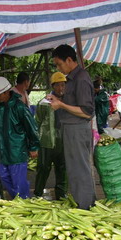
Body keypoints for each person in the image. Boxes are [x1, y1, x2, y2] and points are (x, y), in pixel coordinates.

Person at [46, 45, 96, 209]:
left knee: (80, 169)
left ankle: (85, 207)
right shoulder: (72, 78)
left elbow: (87, 112)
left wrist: (60, 105)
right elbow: (74, 103)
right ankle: (82, 203)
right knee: (75, 170)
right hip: (70, 129)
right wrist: (57, 99)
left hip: (78, 129)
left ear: (69, 60)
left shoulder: (81, 78)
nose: (59, 68)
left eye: (59, 64)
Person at [0, 77, 39, 199]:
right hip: (4, 151)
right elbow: (0, 127)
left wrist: (34, 147)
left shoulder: (20, 107)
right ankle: (19, 200)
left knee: (18, 182)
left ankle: (23, 203)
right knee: (4, 176)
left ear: (6, 92)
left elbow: (32, 128)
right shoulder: (0, 108)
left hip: (17, 151)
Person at [33, 72, 67, 200]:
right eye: (57, 85)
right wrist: (36, 143)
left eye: (63, 85)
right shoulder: (44, 103)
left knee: (62, 168)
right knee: (43, 168)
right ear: (53, 86)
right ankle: (37, 194)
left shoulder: (67, 101)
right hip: (47, 140)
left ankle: (61, 195)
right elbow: (37, 122)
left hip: (63, 140)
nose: (61, 88)